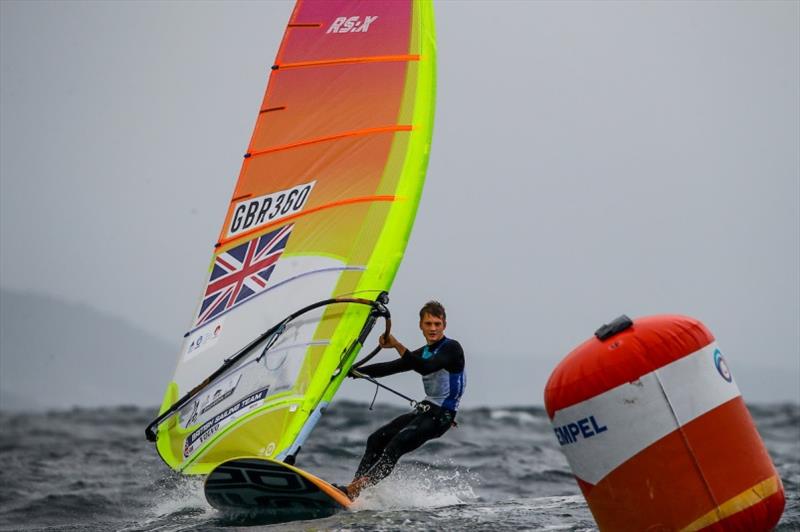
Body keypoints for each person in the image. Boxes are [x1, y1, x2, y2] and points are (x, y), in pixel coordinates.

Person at [341, 300, 466, 499]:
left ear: (444, 325)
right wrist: (353, 372)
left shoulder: (452, 348)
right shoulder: (424, 351)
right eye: (428, 324)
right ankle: (352, 490)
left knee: (396, 445)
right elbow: (391, 367)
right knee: (376, 439)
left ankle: (355, 490)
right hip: (426, 410)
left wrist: (397, 344)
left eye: (437, 324)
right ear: (421, 326)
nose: (433, 328)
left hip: (441, 416)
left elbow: (426, 367)